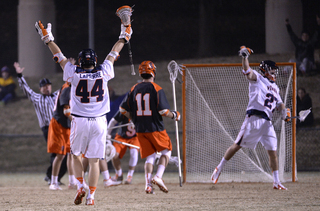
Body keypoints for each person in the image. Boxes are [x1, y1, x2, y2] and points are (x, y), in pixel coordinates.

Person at [35, 17, 132, 205]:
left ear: (80, 61)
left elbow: (59, 56)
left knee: (75, 155)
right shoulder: (103, 71)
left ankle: (80, 185)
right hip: (99, 122)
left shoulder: (73, 72)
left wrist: (47, 39)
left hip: (79, 121)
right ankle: (91, 196)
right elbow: (113, 53)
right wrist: (124, 36)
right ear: (95, 61)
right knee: (95, 161)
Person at [211, 46, 291, 190]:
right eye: (273, 69)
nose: (275, 72)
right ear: (266, 69)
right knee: (237, 145)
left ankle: (276, 182)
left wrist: (285, 113)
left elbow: (280, 103)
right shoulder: (258, 78)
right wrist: (245, 57)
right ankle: (219, 168)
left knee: (273, 152)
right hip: (254, 118)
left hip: (267, 122)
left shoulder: (276, 88)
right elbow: (247, 72)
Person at [119, 60, 181, 194]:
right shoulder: (156, 88)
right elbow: (163, 111)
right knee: (167, 151)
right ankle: (158, 176)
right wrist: (174, 115)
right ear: (153, 72)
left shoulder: (134, 88)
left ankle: (148, 185)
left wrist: (134, 118)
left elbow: (122, 110)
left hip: (140, 128)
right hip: (155, 127)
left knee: (150, 156)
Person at [14, 62, 68, 185]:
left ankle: (54, 177)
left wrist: (68, 68)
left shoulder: (56, 95)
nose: (46, 88)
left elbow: (67, 86)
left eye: (48, 86)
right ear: (40, 89)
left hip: (59, 127)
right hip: (48, 128)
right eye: (44, 86)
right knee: (57, 152)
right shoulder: (37, 98)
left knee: (64, 153)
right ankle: (51, 177)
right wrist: (19, 75)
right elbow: (26, 89)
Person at [47, 80, 76, 190]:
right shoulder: (67, 87)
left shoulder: (70, 86)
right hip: (59, 123)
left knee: (71, 153)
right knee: (60, 155)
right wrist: (76, 121)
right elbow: (66, 111)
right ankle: (53, 182)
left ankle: (72, 182)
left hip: (66, 124)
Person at [107, 110, 140, 184]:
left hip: (135, 137)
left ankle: (129, 176)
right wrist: (107, 134)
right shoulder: (125, 108)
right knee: (114, 154)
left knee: (134, 153)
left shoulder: (141, 110)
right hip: (121, 136)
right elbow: (113, 121)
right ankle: (119, 174)